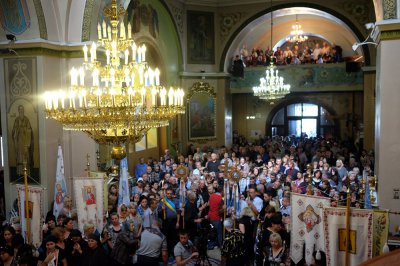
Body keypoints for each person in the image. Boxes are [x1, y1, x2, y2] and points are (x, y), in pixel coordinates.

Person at [12, 105, 33, 176]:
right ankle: (19, 172)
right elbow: (14, 131)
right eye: (20, 110)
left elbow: (29, 130)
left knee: (26, 156)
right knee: (19, 157)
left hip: (25, 142)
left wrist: (24, 129)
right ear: (18, 111)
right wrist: (18, 129)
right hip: (19, 142)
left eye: (22, 109)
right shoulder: (16, 120)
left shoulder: (26, 119)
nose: (21, 111)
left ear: (23, 110)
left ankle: (27, 172)